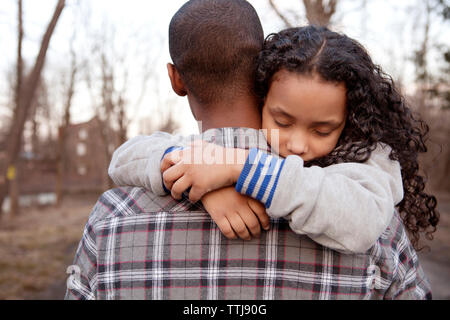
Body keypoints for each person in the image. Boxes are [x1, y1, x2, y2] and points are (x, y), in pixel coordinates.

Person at [66, 0, 432, 300]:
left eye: (321, 129)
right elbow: (128, 157)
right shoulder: (382, 227)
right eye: (286, 122)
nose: (299, 145)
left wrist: (237, 168)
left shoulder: (111, 218)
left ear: (176, 79)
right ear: (262, 75)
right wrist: (204, 183)